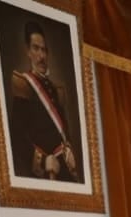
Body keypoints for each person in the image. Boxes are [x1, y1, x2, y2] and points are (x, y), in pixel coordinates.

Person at [9, 21, 80, 182]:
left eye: (44, 50)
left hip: (64, 170)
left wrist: (68, 150)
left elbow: (64, 131)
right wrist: (42, 160)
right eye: (36, 48)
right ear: (28, 51)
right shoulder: (24, 85)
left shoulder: (56, 90)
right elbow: (16, 135)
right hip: (44, 174)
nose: (41, 56)